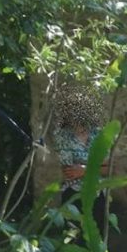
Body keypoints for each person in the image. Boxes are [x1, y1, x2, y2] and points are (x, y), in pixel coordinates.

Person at [52, 85, 108, 229]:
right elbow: (70, 171)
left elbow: (109, 167)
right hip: (73, 194)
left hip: (98, 194)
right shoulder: (62, 135)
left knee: (97, 236)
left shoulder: (99, 134)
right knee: (73, 235)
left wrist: (84, 169)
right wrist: (96, 165)